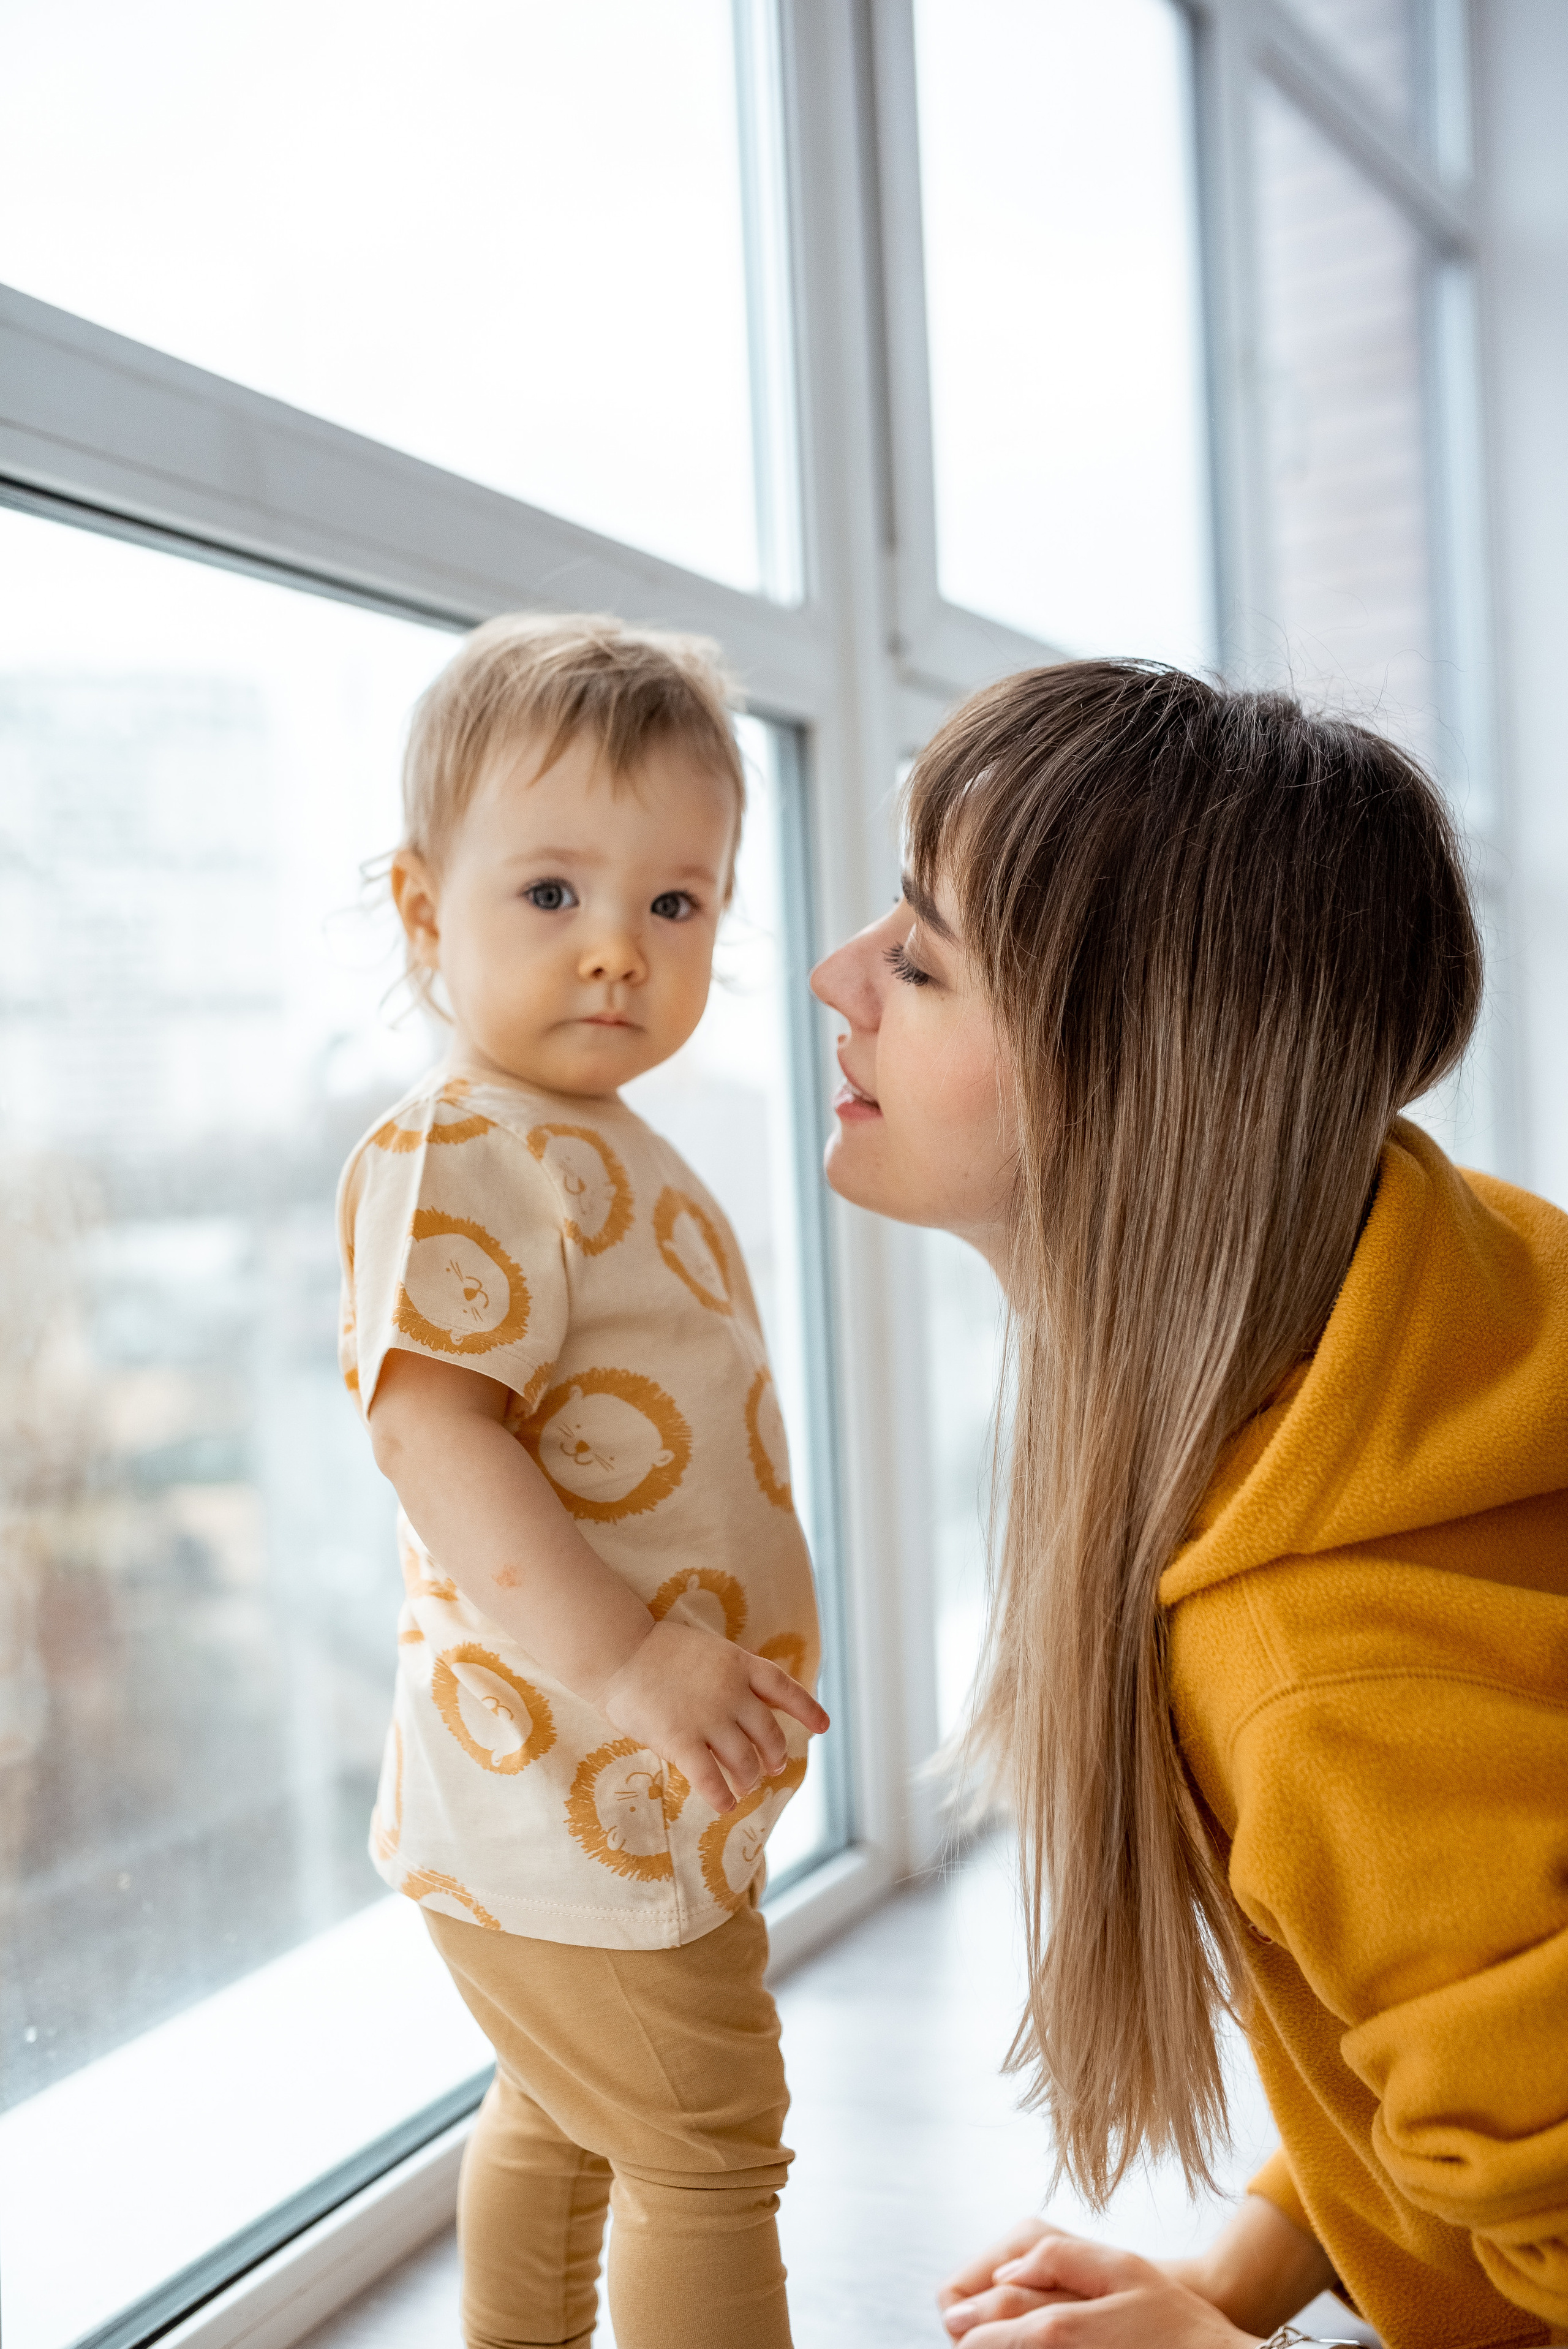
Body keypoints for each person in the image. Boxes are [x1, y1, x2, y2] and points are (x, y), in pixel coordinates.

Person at [810, 660, 1567, 2349]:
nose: (835, 975)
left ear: (1125, 1082)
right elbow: (1476, 1993)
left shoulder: (1325, 1681)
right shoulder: (1430, 1277)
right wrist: (1248, 2268)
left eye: (920, 958)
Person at [336, 613, 827, 2349]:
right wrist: (630, 1664)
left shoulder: (596, 1136)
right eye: (552, 895)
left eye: (674, 904)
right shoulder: (462, 1144)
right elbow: (432, 1429)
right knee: (704, 2147)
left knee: (566, 2107)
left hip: (607, 1792)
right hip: (568, 1783)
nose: (619, 948)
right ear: (425, 911)